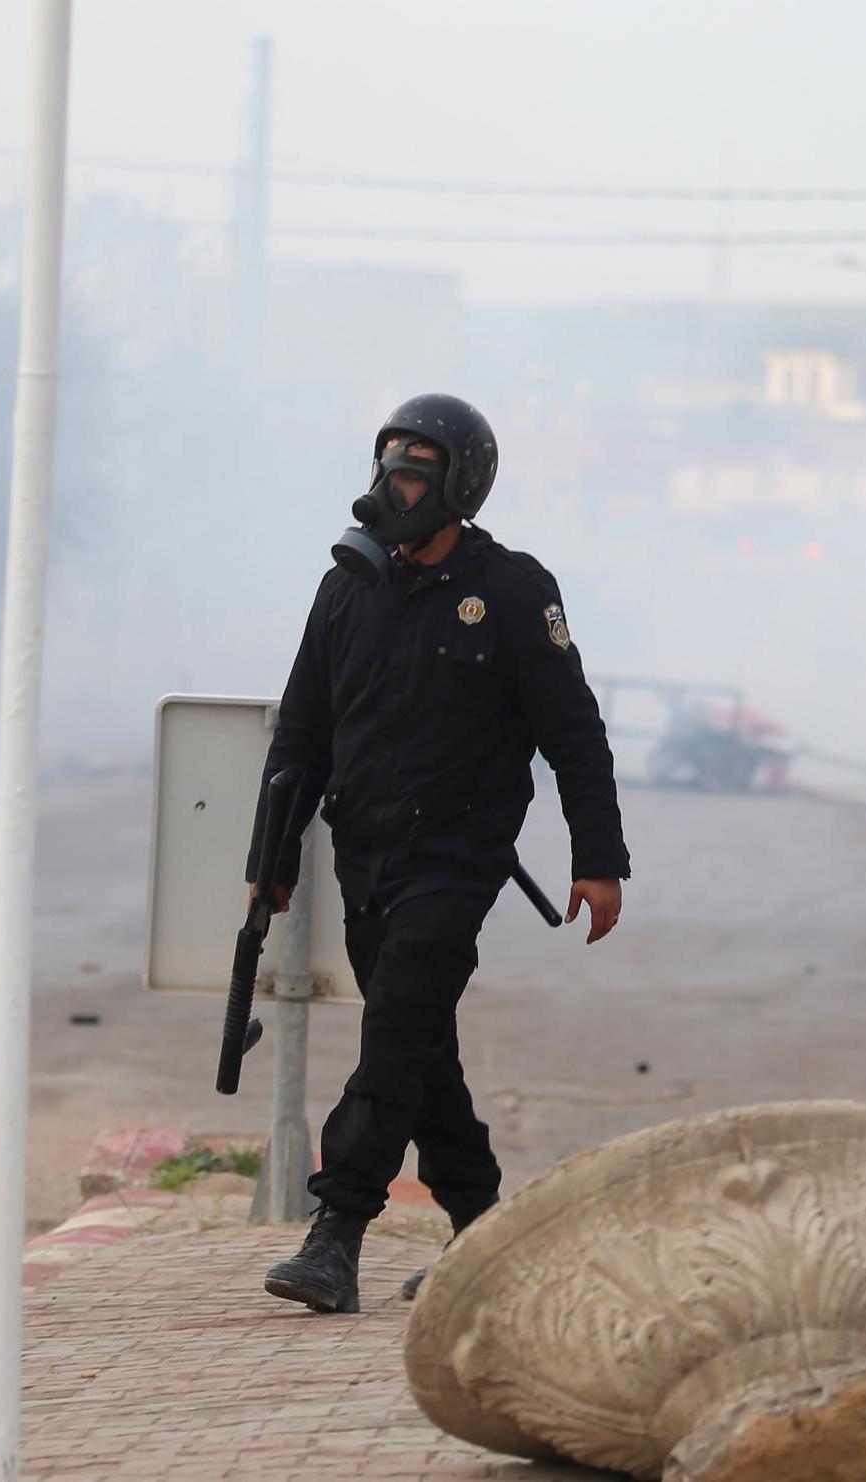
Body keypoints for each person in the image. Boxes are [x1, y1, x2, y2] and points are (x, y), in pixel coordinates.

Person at [245, 392, 630, 1314]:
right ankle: (485, 1233)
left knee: (395, 1031)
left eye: (414, 472)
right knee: (419, 1048)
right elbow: (300, 736)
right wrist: (274, 861)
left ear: (459, 486)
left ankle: (336, 1234)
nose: (393, 487)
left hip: (457, 859)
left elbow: (574, 733)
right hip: (364, 854)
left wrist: (598, 857)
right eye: (386, 467)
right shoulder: (346, 588)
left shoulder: (511, 590)